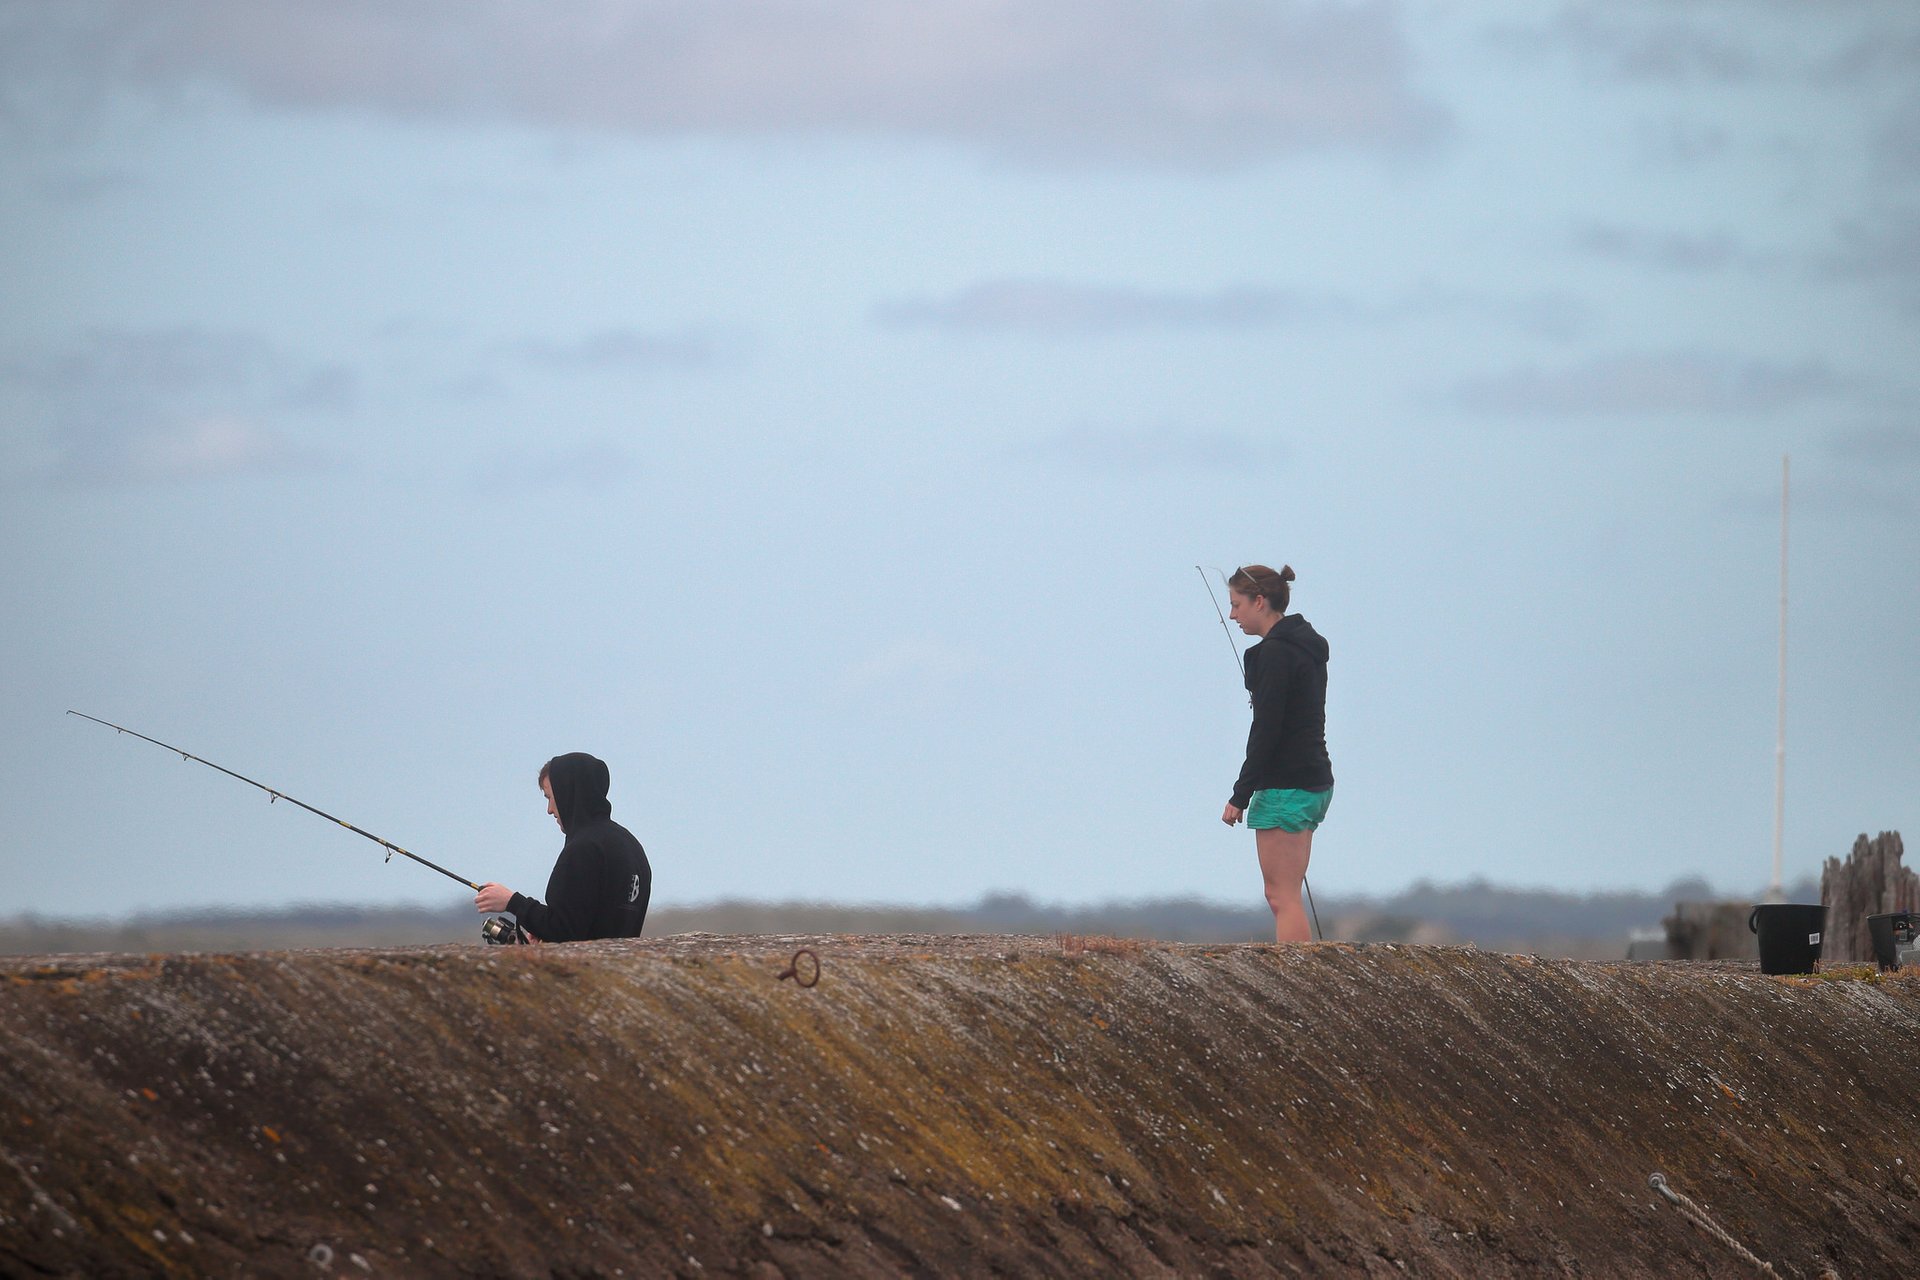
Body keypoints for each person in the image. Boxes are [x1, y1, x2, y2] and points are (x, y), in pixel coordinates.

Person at [1220, 564, 1333, 943]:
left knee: (1280, 896)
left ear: (1259, 601)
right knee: (1289, 895)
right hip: (1313, 782)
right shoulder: (1307, 646)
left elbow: (1266, 732)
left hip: (1286, 786)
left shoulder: (1275, 654)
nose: (1233, 615)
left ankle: (1299, 976)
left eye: (1236, 605)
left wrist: (1240, 795)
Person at [475, 752, 651, 942]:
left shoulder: (583, 849)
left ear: (568, 793)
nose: (549, 809)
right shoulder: (632, 846)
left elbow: (564, 930)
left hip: (587, 970)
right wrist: (543, 930)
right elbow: (587, 923)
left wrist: (512, 902)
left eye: (550, 797)